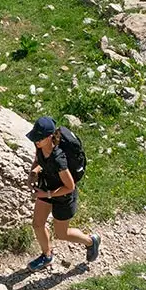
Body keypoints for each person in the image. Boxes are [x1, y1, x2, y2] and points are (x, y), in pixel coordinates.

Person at [25, 115, 102, 270]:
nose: (36, 141)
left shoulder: (59, 159)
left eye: (39, 138)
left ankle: (91, 241)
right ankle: (46, 255)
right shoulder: (40, 146)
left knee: (62, 233)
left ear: (49, 137)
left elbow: (69, 186)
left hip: (63, 196)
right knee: (38, 224)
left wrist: (46, 194)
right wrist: (33, 172)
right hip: (46, 187)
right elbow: (38, 160)